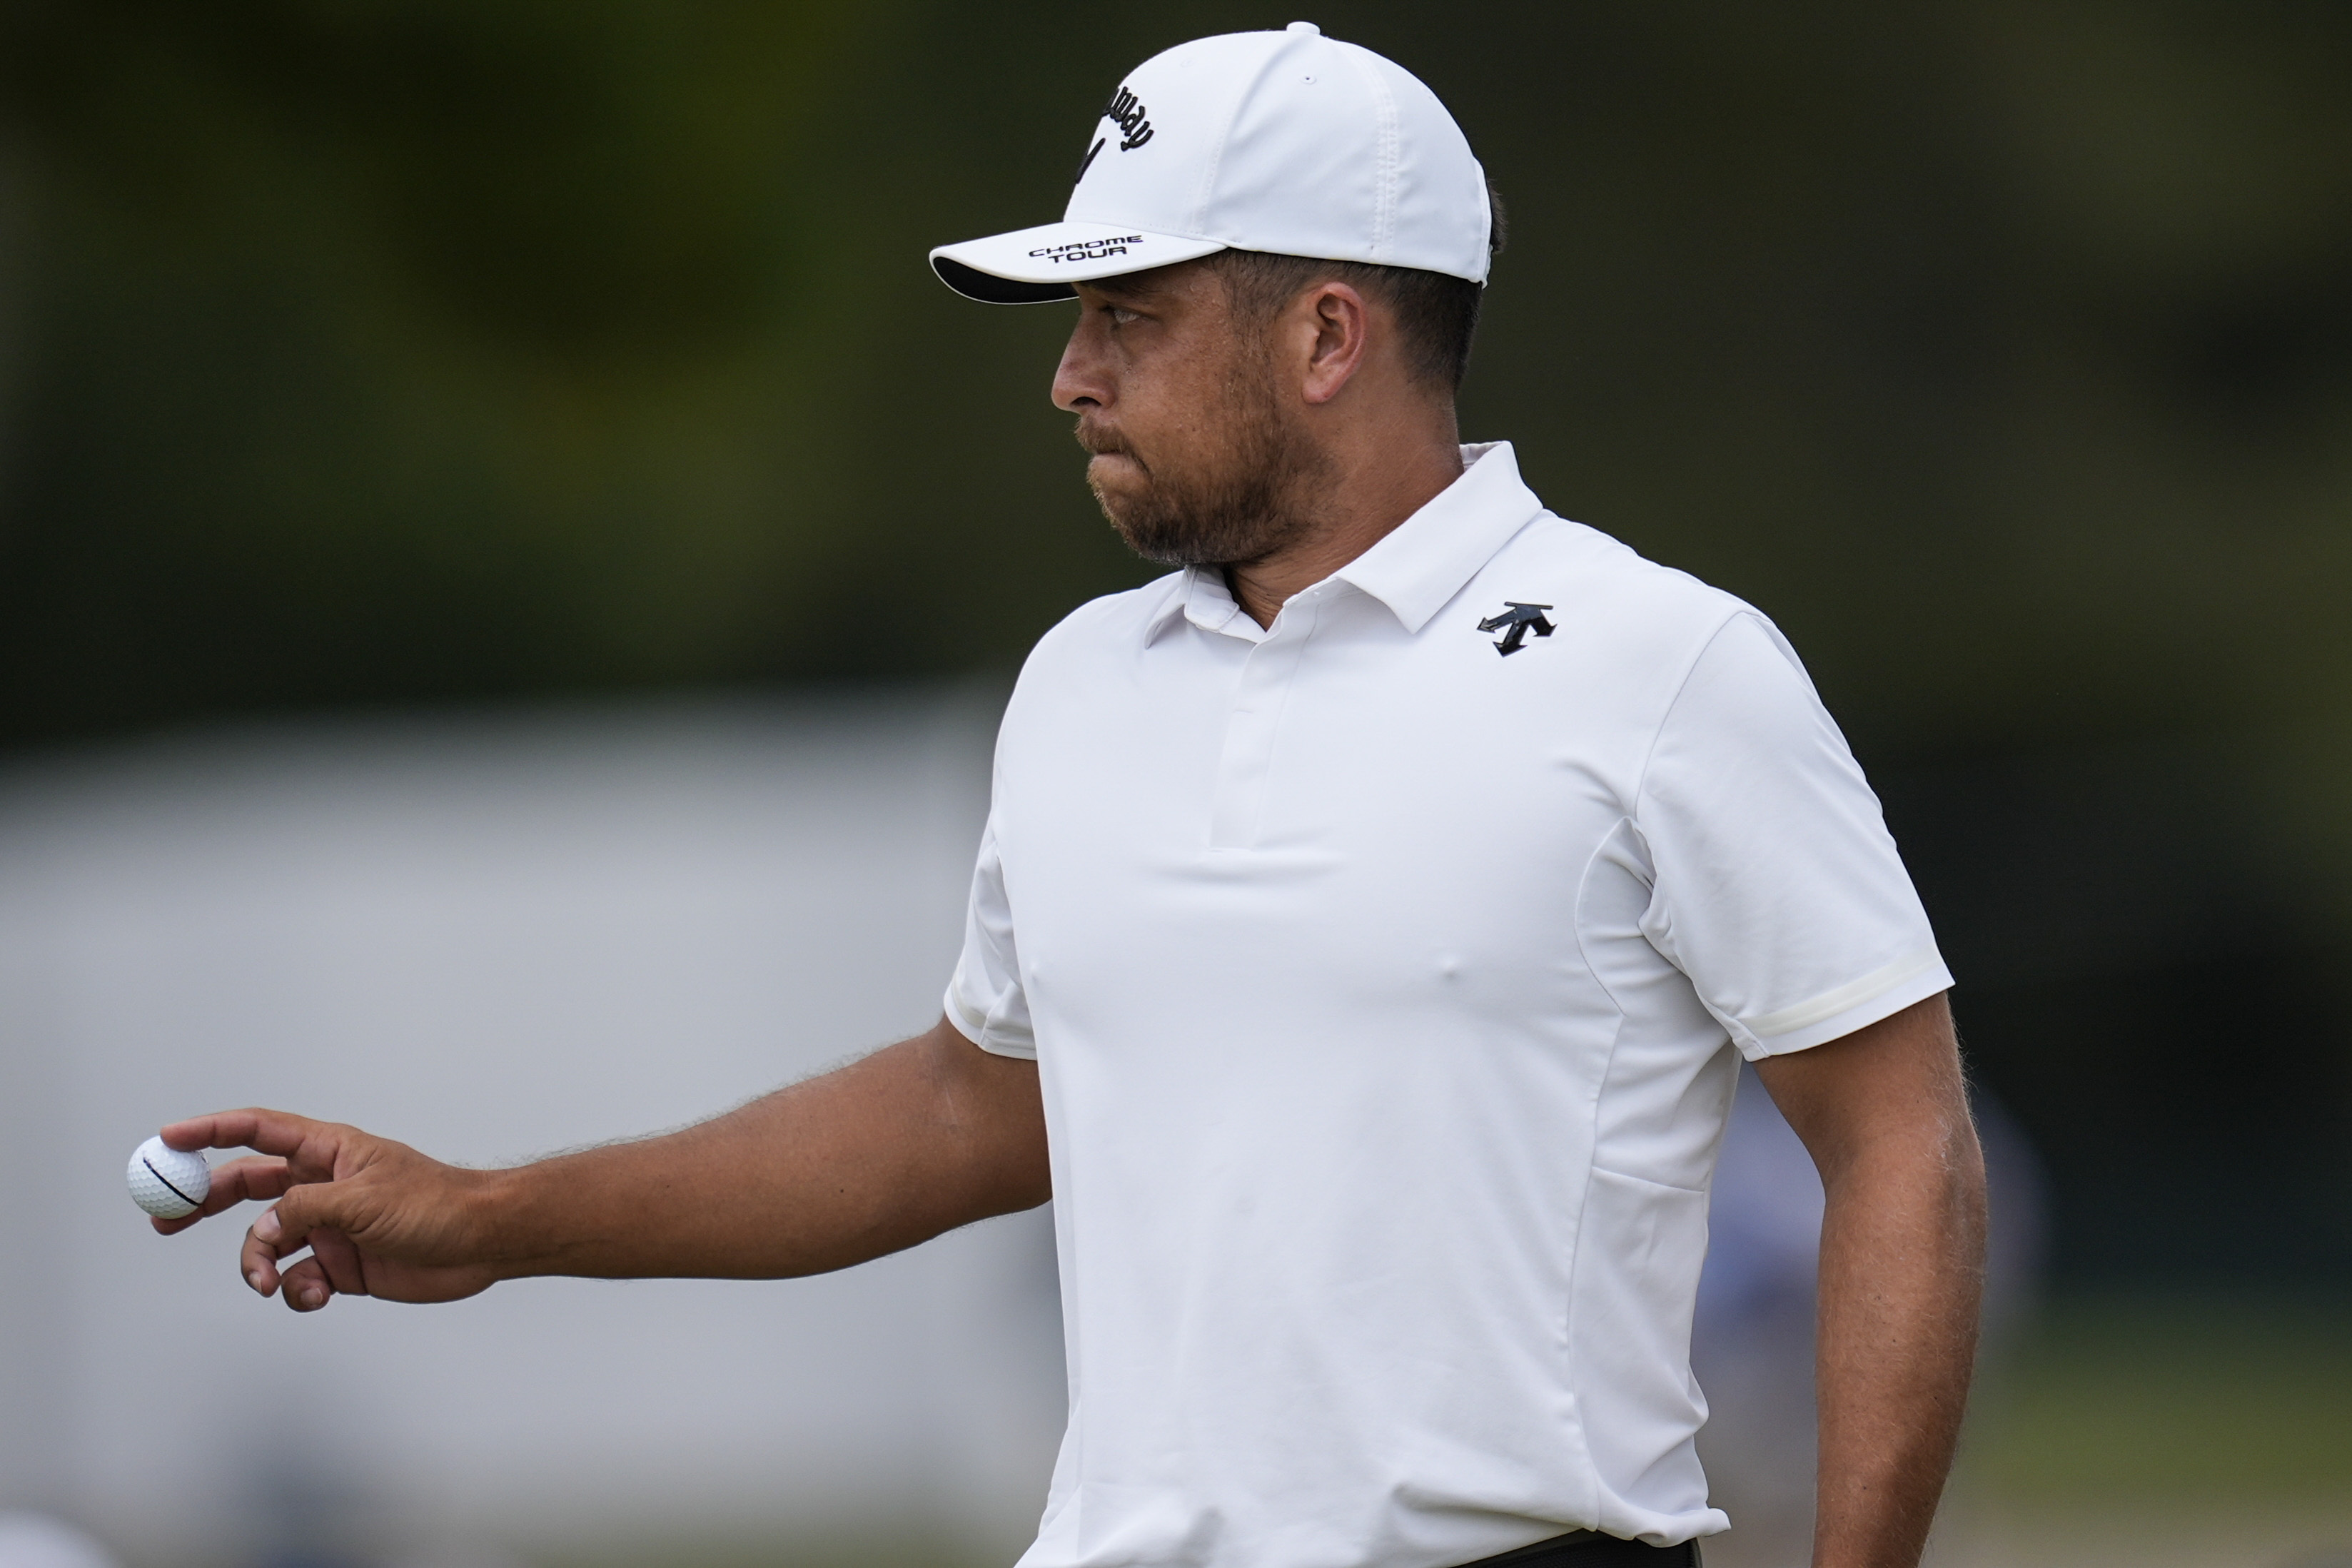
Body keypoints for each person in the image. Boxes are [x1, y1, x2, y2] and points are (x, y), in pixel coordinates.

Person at [153, 24, 1987, 1568]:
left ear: (1327, 335)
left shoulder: (1660, 665)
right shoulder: (1081, 687)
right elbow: (972, 1107)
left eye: (1126, 312)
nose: (1068, 375)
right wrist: (493, 1212)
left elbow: (1901, 1143)